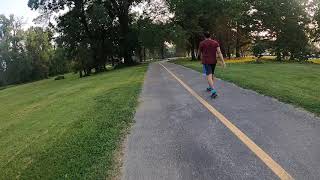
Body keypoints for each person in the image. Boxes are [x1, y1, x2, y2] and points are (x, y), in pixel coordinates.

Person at [198, 32, 226, 98]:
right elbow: (219, 52)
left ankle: (213, 91)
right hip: (213, 61)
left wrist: (201, 59)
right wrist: (223, 62)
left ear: (204, 36)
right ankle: (210, 87)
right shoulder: (215, 43)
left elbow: (199, 53)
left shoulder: (202, 43)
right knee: (212, 74)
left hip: (206, 61)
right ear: (210, 36)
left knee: (209, 75)